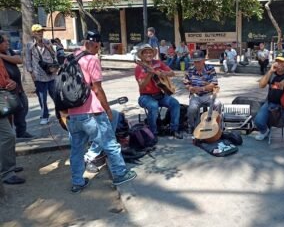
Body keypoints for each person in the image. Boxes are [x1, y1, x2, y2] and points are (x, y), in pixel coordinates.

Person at [67, 30, 136, 193]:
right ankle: (120, 173)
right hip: (91, 113)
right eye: (98, 46)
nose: (99, 49)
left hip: (72, 113)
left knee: (76, 149)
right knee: (109, 142)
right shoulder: (92, 59)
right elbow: (97, 89)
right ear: (95, 44)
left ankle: (77, 182)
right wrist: (107, 110)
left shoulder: (71, 57)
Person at [135, 44, 182, 139]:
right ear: (142, 55)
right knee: (153, 105)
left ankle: (174, 129)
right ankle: (153, 132)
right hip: (145, 96)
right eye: (146, 52)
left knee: (175, 103)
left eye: (150, 52)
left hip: (160, 94)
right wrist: (149, 73)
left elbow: (172, 73)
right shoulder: (139, 68)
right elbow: (142, 85)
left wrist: (162, 73)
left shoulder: (159, 63)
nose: (148, 54)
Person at [0, 35, 33, 139]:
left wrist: (1, 55)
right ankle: (9, 136)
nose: (8, 43)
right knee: (10, 113)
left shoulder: (8, 51)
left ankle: (21, 132)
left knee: (23, 109)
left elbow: (19, 60)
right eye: (5, 41)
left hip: (18, 87)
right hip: (7, 90)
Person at [25, 24, 58, 125]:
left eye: (41, 31)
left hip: (51, 75)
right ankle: (44, 116)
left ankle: (60, 113)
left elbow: (54, 55)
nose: (40, 33)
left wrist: (49, 47)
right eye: (38, 32)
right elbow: (28, 60)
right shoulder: (30, 45)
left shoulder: (47, 42)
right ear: (33, 33)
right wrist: (31, 74)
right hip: (39, 76)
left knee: (55, 96)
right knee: (42, 98)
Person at [0, 57, 25, 185]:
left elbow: (5, 76)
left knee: (9, 136)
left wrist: (11, 83)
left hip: (3, 99)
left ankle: (9, 167)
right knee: (7, 136)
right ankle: (7, 173)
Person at [184, 50, 221, 134]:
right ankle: (191, 126)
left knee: (217, 104)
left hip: (208, 95)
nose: (196, 64)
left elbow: (214, 84)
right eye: (195, 62)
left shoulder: (210, 69)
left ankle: (215, 125)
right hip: (195, 96)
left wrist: (202, 88)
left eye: (198, 62)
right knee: (192, 109)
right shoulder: (190, 70)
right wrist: (190, 88)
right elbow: (186, 83)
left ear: (203, 60)